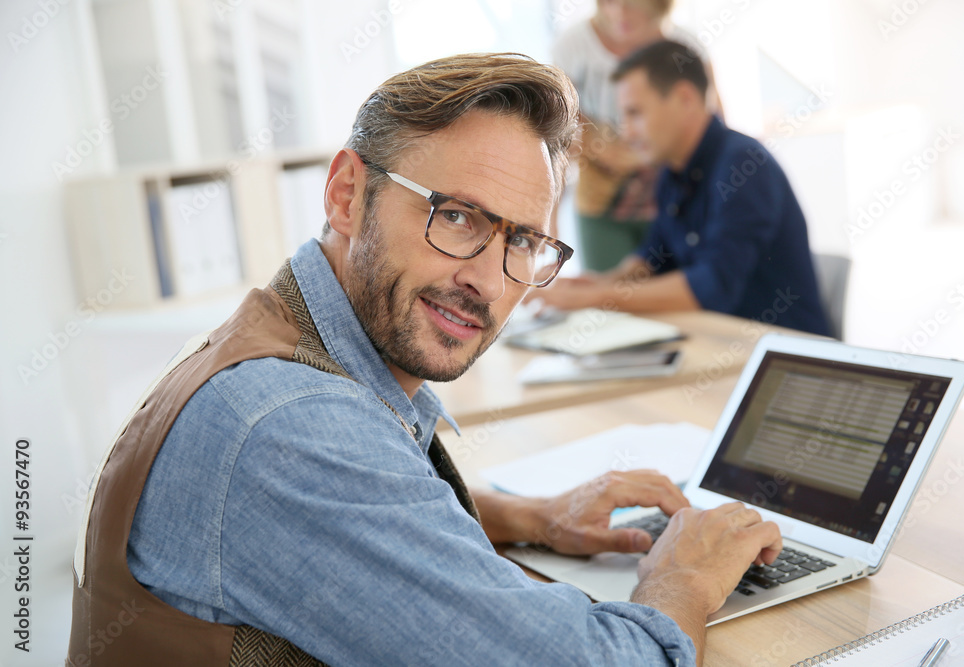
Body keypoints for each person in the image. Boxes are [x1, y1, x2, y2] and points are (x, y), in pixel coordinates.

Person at [67, 53, 781, 666]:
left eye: (522, 241)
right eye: (457, 216)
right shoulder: (290, 428)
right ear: (347, 194)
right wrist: (681, 578)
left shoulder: (274, 344)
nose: (490, 282)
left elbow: (355, 517)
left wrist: (528, 515)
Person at [539, 40, 830, 337]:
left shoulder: (745, 166)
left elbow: (711, 288)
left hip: (783, 351)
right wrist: (595, 284)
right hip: (719, 342)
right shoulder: (672, 170)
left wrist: (592, 299)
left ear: (685, 99)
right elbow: (654, 257)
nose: (625, 132)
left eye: (635, 113)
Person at [552, 0, 723, 271]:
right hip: (601, 202)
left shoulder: (685, 49)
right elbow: (560, 136)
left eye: (632, 3)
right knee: (611, 289)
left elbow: (712, 130)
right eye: (610, 2)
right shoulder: (573, 45)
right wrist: (550, 214)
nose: (619, 12)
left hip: (673, 203)